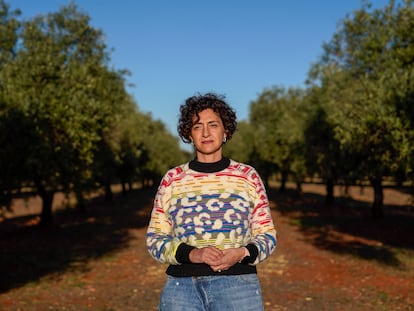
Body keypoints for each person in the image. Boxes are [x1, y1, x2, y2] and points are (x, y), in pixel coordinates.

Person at [146, 92, 277, 311]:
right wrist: (193, 254)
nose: (205, 132)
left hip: (238, 288)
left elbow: (267, 235)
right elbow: (155, 239)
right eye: (197, 126)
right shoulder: (173, 179)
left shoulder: (248, 176)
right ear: (189, 134)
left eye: (213, 125)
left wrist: (242, 253)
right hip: (181, 289)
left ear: (225, 131)